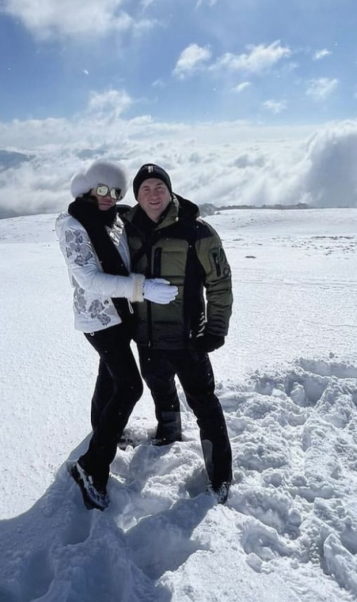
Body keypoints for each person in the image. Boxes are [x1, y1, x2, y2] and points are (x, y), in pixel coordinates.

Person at [55, 160, 178, 510]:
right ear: (88, 189)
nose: (109, 197)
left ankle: (103, 430)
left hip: (120, 314)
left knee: (109, 378)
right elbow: (89, 279)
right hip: (99, 319)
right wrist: (142, 288)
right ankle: (91, 467)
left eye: (116, 191)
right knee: (129, 386)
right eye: (102, 189)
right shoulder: (74, 225)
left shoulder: (115, 221)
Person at [121, 163, 234, 503]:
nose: (153, 195)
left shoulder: (197, 231)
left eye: (159, 187)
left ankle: (221, 474)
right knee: (158, 385)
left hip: (189, 339)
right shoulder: (128, 230)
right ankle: (169, 431)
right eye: (145, 189)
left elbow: (220, 282)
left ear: (170, 191)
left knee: (204, 403)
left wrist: (215, 328)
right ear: (137, 196)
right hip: (147, 338)